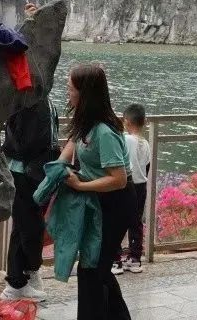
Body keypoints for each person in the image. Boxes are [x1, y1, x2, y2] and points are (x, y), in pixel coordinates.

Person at [58, 63, 135, 320]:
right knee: (95, 268)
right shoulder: (84, 125)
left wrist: (80, 185)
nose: (67, 92)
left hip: (115, 202)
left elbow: (119, 179)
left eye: (70, 88)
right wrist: (54, 172)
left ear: (85, 93)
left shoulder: (104, 131)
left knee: (93, 268)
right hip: (97, 200)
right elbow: (67, 152)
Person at [0, 7, 60, 302]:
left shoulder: (40, 98)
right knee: (28, 224)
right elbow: (23, 141)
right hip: (26, 170)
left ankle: (17, 280)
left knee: (24, 224)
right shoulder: (25, 98)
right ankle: (25, 274)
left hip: (35, 169)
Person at [114, 102, 150, 275]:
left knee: (118, 220)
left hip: (126, 184)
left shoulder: (125, 139)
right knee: (136, 221)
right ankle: (135, 258)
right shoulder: (146, 143)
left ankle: (116, 260)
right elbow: (147, 167)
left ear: (126, 121)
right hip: (141, 185)